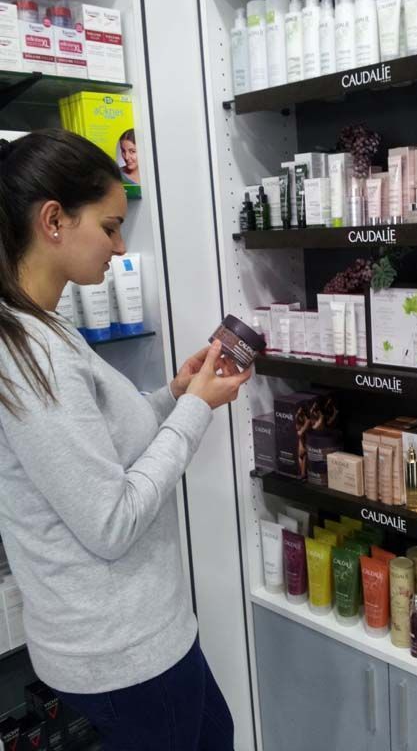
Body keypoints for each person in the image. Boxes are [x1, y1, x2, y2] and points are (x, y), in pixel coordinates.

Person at [0, 129, 250, 750]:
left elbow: (92, 434)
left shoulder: (42, 328)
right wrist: (194, 413)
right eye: (110, 226)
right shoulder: (34, 354)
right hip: (121, 651)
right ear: (53, 220)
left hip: (135, 636)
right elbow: (110, 522)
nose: (119, 245)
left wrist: (172, 393)